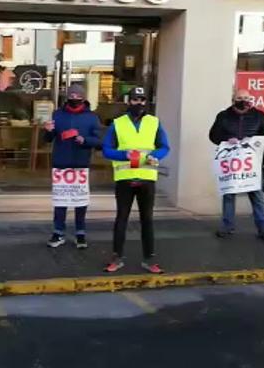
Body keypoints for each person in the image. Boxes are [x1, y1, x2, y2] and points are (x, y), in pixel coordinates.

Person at [102, 86, 170, 274]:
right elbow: (106, 149)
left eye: (142, 100)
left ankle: (149, 259)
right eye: (135, 100)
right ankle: (116, 258)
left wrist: (156, 155)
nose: (138, 103)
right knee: (121, 219)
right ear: (128, 101)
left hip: (147, 177)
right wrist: (124, 154)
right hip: (125, 177)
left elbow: (164, 146)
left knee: (147, 220)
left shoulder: (154, 122)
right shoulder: (118, 123)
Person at [208, 89, 264, 242]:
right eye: (240, 97)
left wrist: (253, 140)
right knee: (229, 195)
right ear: (233, 99)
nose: (243, 100)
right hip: (231, 162)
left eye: (246, 97)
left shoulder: (259, 116)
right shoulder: (223, 116)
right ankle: (227, 227)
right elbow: (213, 135)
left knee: (257, 196)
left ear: (251, 99)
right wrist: (227, 138)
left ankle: (263, 228)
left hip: (251, 163)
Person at [43, 84, 102, 249]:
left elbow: (99, 142)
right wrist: (47, 130)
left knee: (80, 201)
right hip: (60, 163)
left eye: (78, 96)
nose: (74, 99)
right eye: (72, 96)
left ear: (83, 98)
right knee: (60, 200)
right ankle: (58, 232)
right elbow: (48, 139)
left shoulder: (92, 117)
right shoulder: (58, 114)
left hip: (80, 164)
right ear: (67, 97)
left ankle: (80, 233)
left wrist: (85, 140)